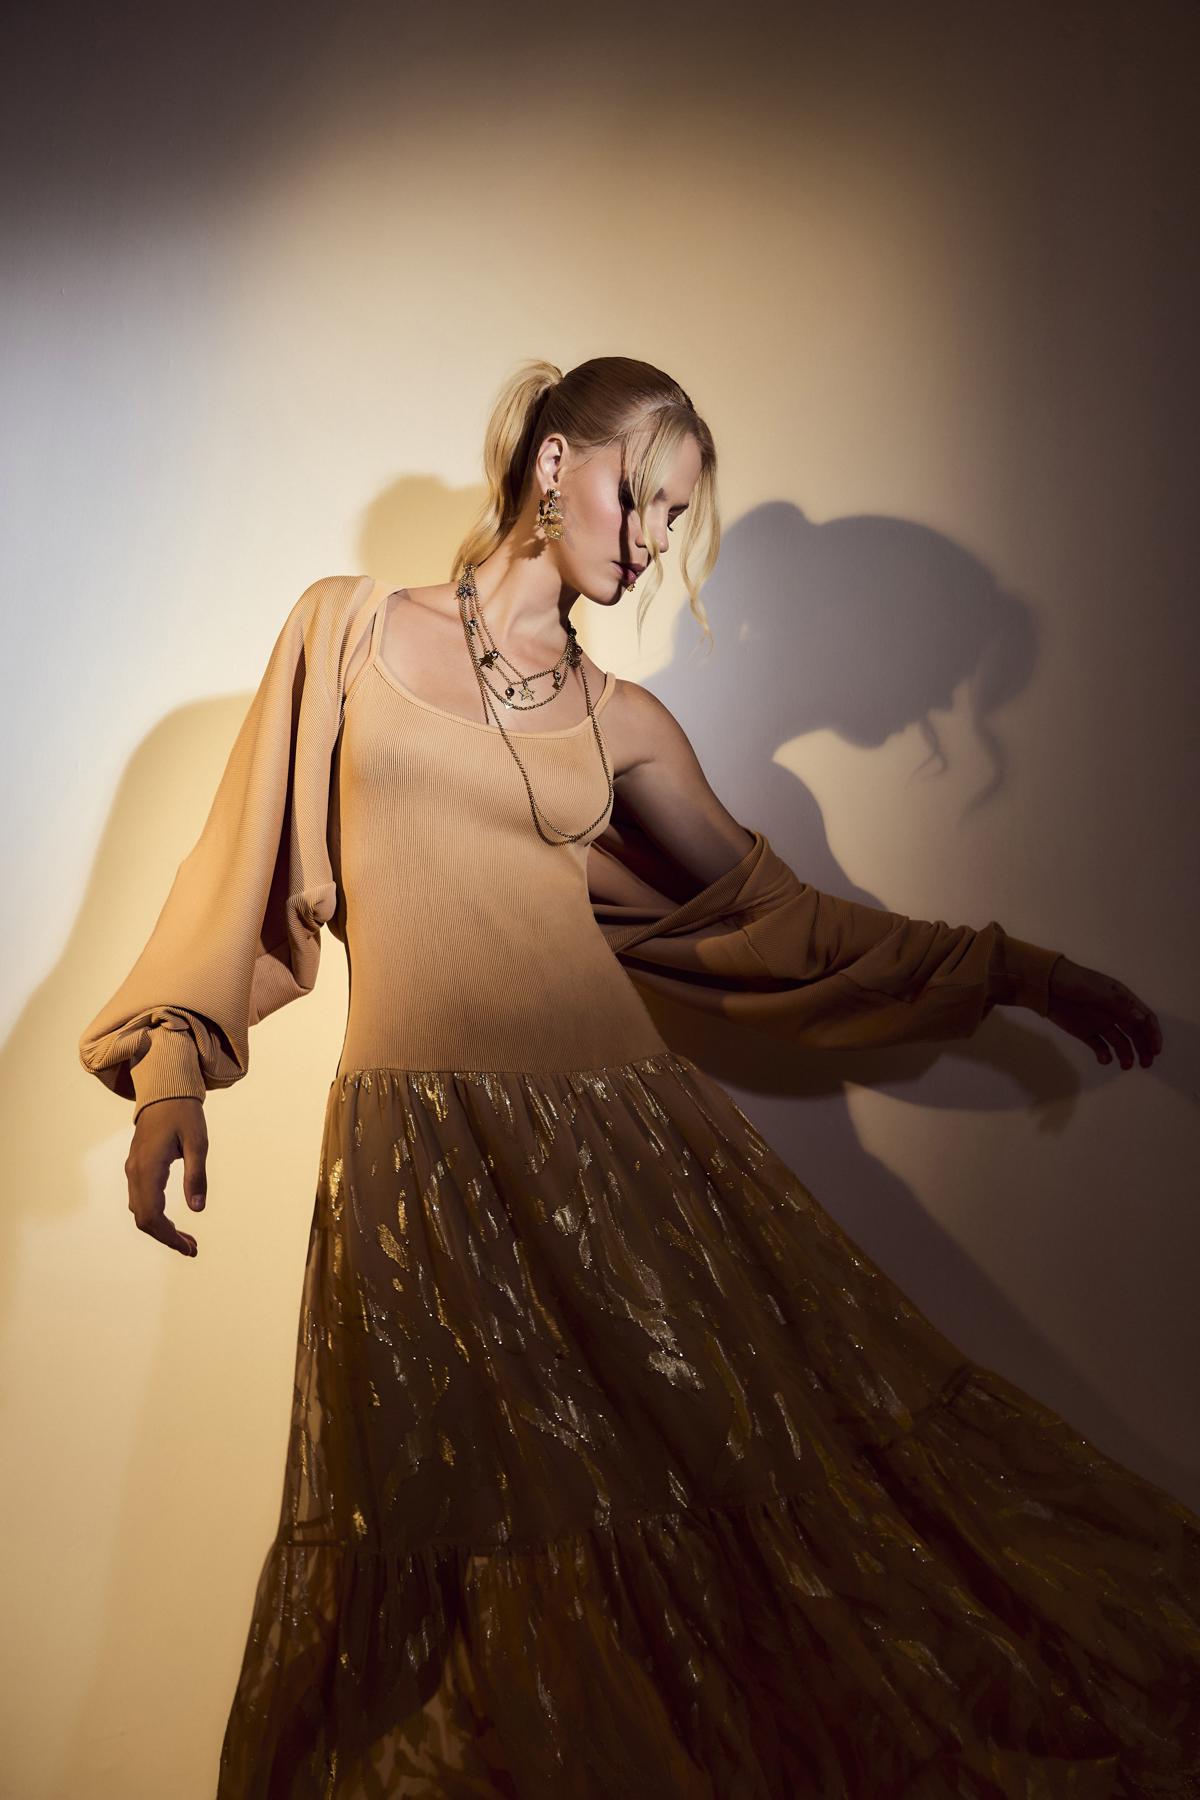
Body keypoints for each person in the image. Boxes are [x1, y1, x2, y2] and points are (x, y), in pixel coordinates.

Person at [79, 356, 1198, 1799]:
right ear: (556, 465)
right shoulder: (347, 630)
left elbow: (787, 926)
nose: (654, 540)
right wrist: (172, 1067)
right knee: (443, 1558)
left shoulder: (625, 721)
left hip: (626, 1157)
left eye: (676, 517)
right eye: (641, 497)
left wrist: (1020, 972)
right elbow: (238, 871)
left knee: (740, 1515)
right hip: (424, 1167)